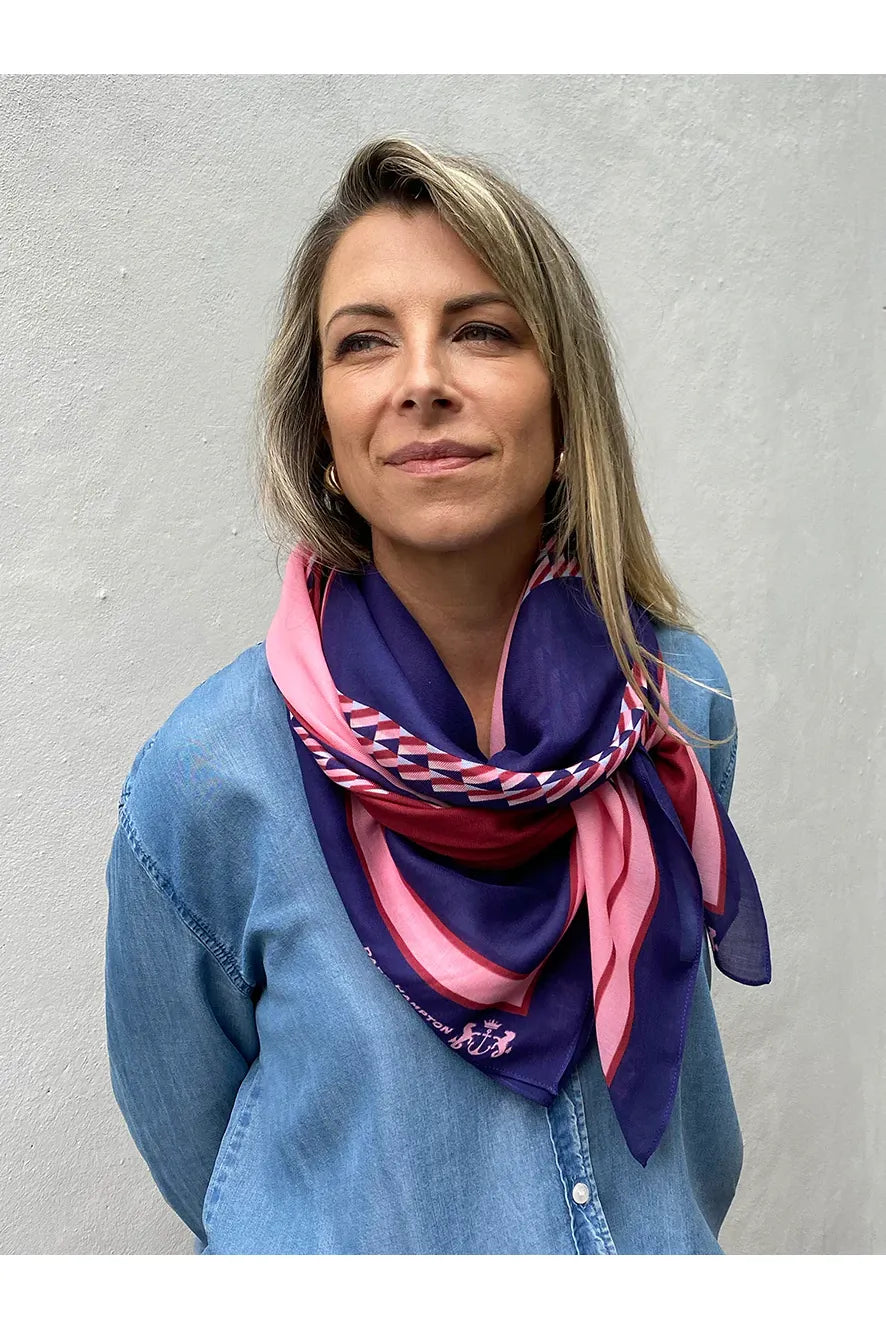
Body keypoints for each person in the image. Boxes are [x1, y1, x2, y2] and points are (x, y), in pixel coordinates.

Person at [104, 135, 771, 1256]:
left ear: (566, 403)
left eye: (482, 331)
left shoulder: (676, 703)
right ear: (321, 427)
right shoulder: (210, 777)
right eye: (365, 342)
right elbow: (200, 1142)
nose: (421, 381)